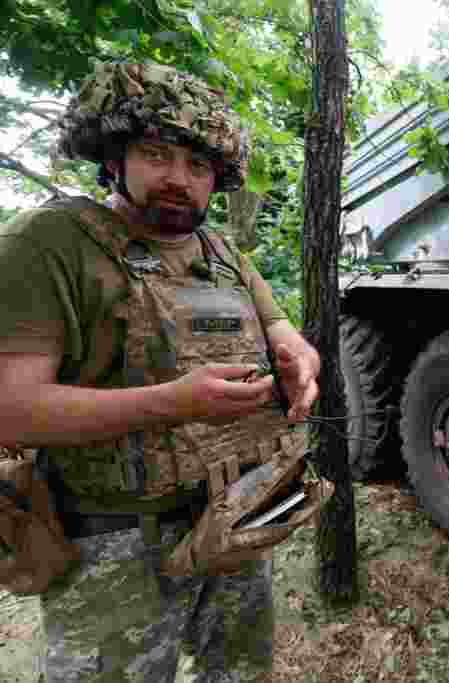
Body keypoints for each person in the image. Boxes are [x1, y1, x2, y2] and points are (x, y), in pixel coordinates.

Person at [0, 62, 320, 681]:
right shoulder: (50, 243)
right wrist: (174, 402)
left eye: (198, 166)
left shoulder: (222, 253)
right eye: (156, 154)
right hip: (112, 541)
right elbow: (9, 407)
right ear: (113, 157)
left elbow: (284, 333)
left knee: (239, 670)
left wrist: (298, 359)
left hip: (239, 515)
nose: (179, 178)